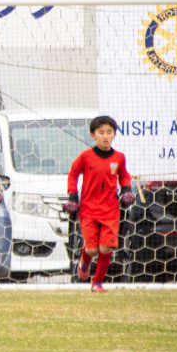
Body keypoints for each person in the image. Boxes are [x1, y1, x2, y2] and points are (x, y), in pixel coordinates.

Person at [64, 115, 134, 293]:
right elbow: (73, 174)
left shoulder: (119, 158)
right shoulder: (86, 157)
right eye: (101, 132)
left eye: (109, 132)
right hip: (88, 210)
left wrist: (126, 190)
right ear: (93, 135)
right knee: (93, 249)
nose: (105, 136)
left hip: (110, 210)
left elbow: (124, 175)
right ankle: (84, 262)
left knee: (105, 247)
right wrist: (73, 196)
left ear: (114, 135)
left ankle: (97, 283)